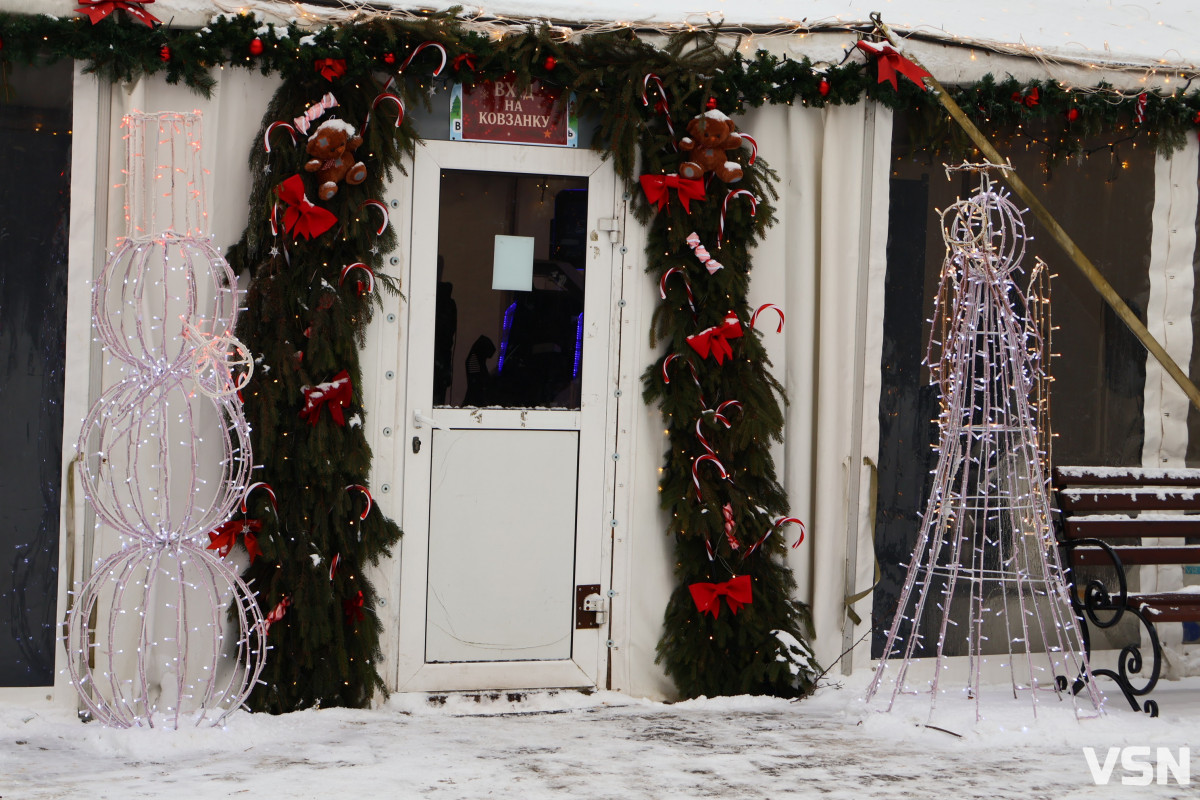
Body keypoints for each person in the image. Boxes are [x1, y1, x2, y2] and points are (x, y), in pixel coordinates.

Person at [462, 335, 496, 406]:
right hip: (475, 401)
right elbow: (477, 384)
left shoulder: (476, 358)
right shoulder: (475, 360)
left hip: (475, 399)